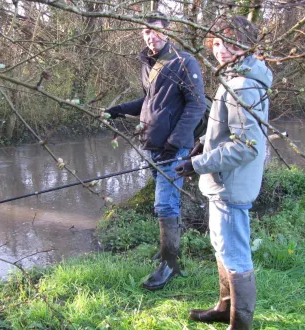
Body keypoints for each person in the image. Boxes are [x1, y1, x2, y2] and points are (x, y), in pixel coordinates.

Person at [175, 16, 273, 329]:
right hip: (222, 182)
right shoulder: (233, 77)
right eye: (217, 43)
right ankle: (224, 307)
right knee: (222, 246)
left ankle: (240, 323)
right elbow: (225, 130)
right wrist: (200, 146)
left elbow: (246, 147)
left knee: (234, 253)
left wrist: (198, 164)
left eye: (231, 43)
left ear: (247, 45)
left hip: (230, 185)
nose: (222, 50)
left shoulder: (243, 85)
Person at [105, 11, 206, 291]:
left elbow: (196, 105)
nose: (151, 36)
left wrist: (175, 142)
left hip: (174, 147)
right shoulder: (148, 64)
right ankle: (167, 252)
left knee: (165, 203)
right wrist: (120, 110)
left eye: (156, 31)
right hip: (151, 143)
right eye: (146, 32)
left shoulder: (184, 61)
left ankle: (170, 265)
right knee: (167, 199)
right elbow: (150, 100)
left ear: (169, 31)